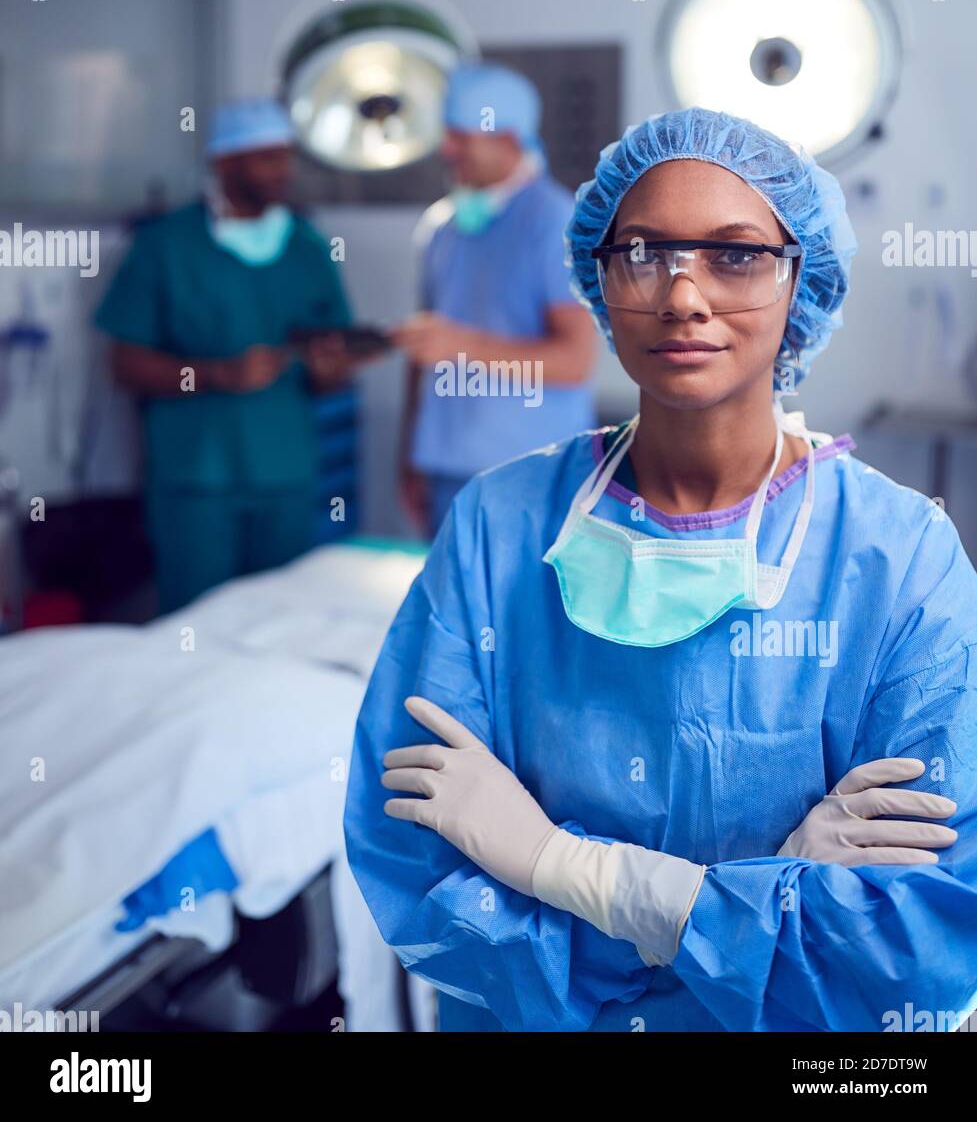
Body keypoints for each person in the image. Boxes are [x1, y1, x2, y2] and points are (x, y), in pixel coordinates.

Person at [344, 107, 977, 1033]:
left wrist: (559, 867)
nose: (682, 295)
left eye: (736, 255)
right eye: (641, 252)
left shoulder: (900, 557)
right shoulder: (496, 527)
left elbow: (918, 937)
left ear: (799, 277)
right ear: (599, 279)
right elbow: (421, 870)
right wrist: (759, 902)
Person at [96, 99, 357, 614]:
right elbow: (125, 365)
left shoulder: (309, 248)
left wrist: (331, 370)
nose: (283, 171)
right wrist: (217, 374)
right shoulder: (165, 245)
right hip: (197, 480)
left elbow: (335, 366)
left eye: (286, 156)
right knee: (194, 625)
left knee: (280, 622)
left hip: (286, 475)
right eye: (267, 158)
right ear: (224, 162)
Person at [395, 62, 597, 536]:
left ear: (508, 138)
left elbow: (574, 361)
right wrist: (410, 454)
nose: (447, 149)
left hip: (532, 475)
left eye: (460, 137)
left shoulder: (553, 222)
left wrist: (460, 346)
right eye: (446, 135)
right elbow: (426, 352)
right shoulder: (443, 226)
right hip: (446, 468)